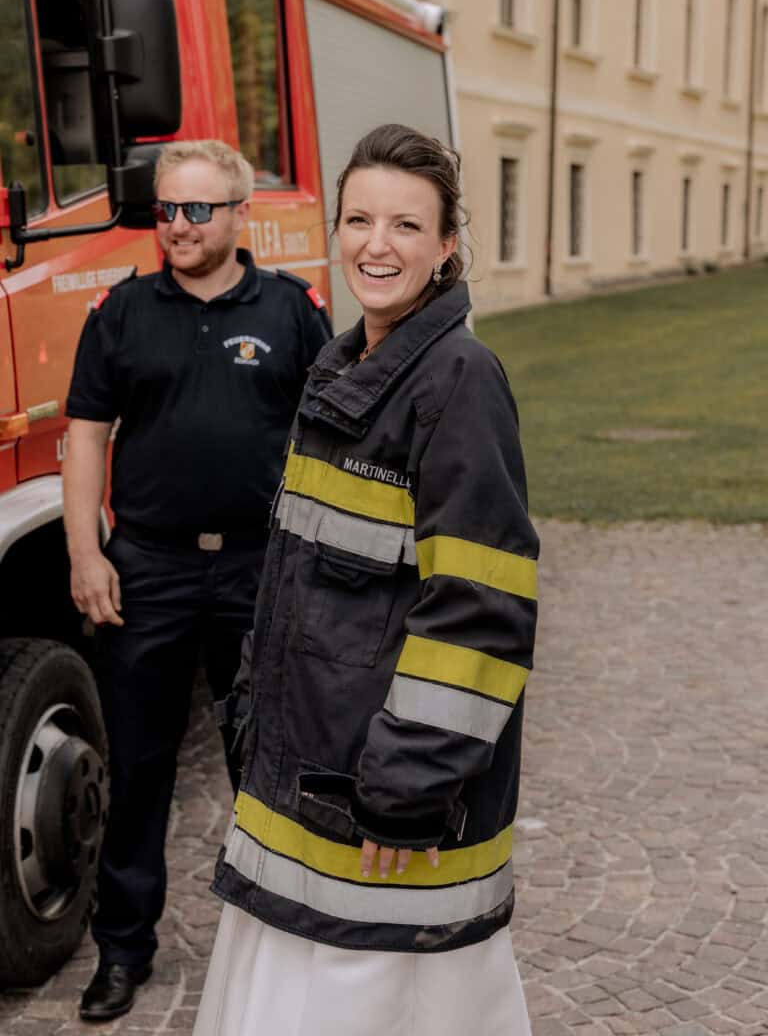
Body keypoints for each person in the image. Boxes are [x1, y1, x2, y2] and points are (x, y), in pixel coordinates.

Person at [194, 123, 539, 1036]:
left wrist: (409, 785)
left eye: (406, 226)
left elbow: (480, 612)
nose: (376, 246)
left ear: (447, 246)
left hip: (383, 808)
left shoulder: (459, 380)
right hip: (314, 775)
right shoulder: (348, 365)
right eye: (358, 220)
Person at [62, 138, 331, 1024]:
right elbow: (87, 436)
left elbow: (332, 442)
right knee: (140, 767)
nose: (176, 225)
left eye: (197, 209)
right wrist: (86, 554)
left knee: (268, 762)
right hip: (149, 570)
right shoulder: (121, 312)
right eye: (166, 209)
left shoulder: (292, 311)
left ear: (239, 214)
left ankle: (282, 949)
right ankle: (123, 950)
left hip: (262, 566)